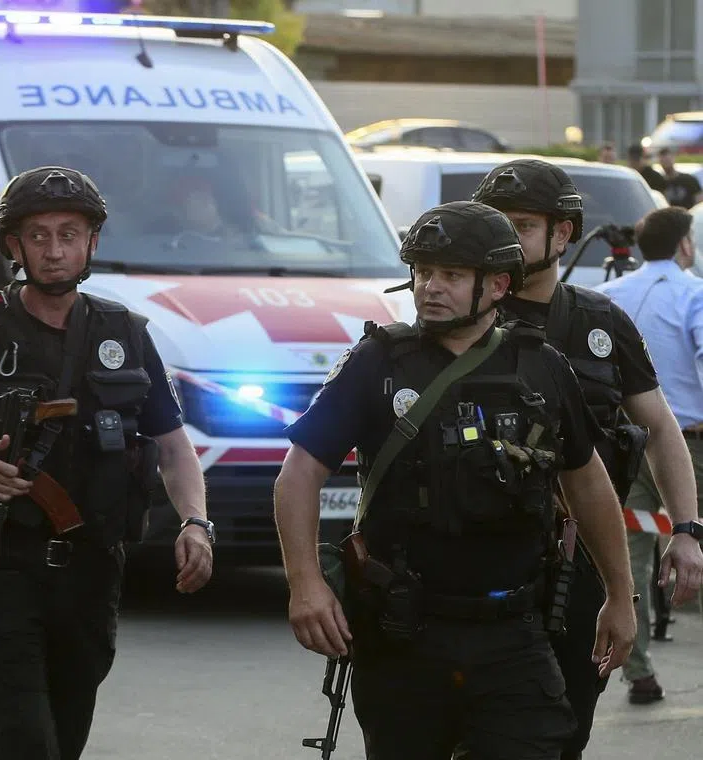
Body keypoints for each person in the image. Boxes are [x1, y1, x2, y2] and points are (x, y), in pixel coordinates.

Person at [274, 200, 636, 760]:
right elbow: (299, 473)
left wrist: (619, 594)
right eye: (422, 272)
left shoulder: (542, 366)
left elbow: (587, 483)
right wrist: (305, 584)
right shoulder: (377, 363)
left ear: (496, 285)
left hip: (516, 635)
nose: (429, 288)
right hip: (405, 635)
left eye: (450, 274)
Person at [0, 165, 213, 760]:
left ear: (91, 241)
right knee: (27, 742)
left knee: (64, 742)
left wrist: (196, 523)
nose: (54, 250)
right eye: (38, 235)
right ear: (13, 245)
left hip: (94, 576)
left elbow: (173, 444)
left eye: (69, 234)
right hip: (4, 571)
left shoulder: (124, 331)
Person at [473, 158, 703, 756]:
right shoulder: (456, 321)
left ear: (563, 233)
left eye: (521, 224)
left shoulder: (601, 322)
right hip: (474, 566)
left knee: (566, 729)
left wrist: (684, 529)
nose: (505, 236)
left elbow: (657, 425)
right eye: (494, 222)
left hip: (581, 567)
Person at [597, 206, 703, 704]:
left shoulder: (609, 296)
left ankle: (635, 669)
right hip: (689, 444)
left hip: (624, 441)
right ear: (685, 245)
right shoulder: (694, 294)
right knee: (691, 541)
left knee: (627, 556)